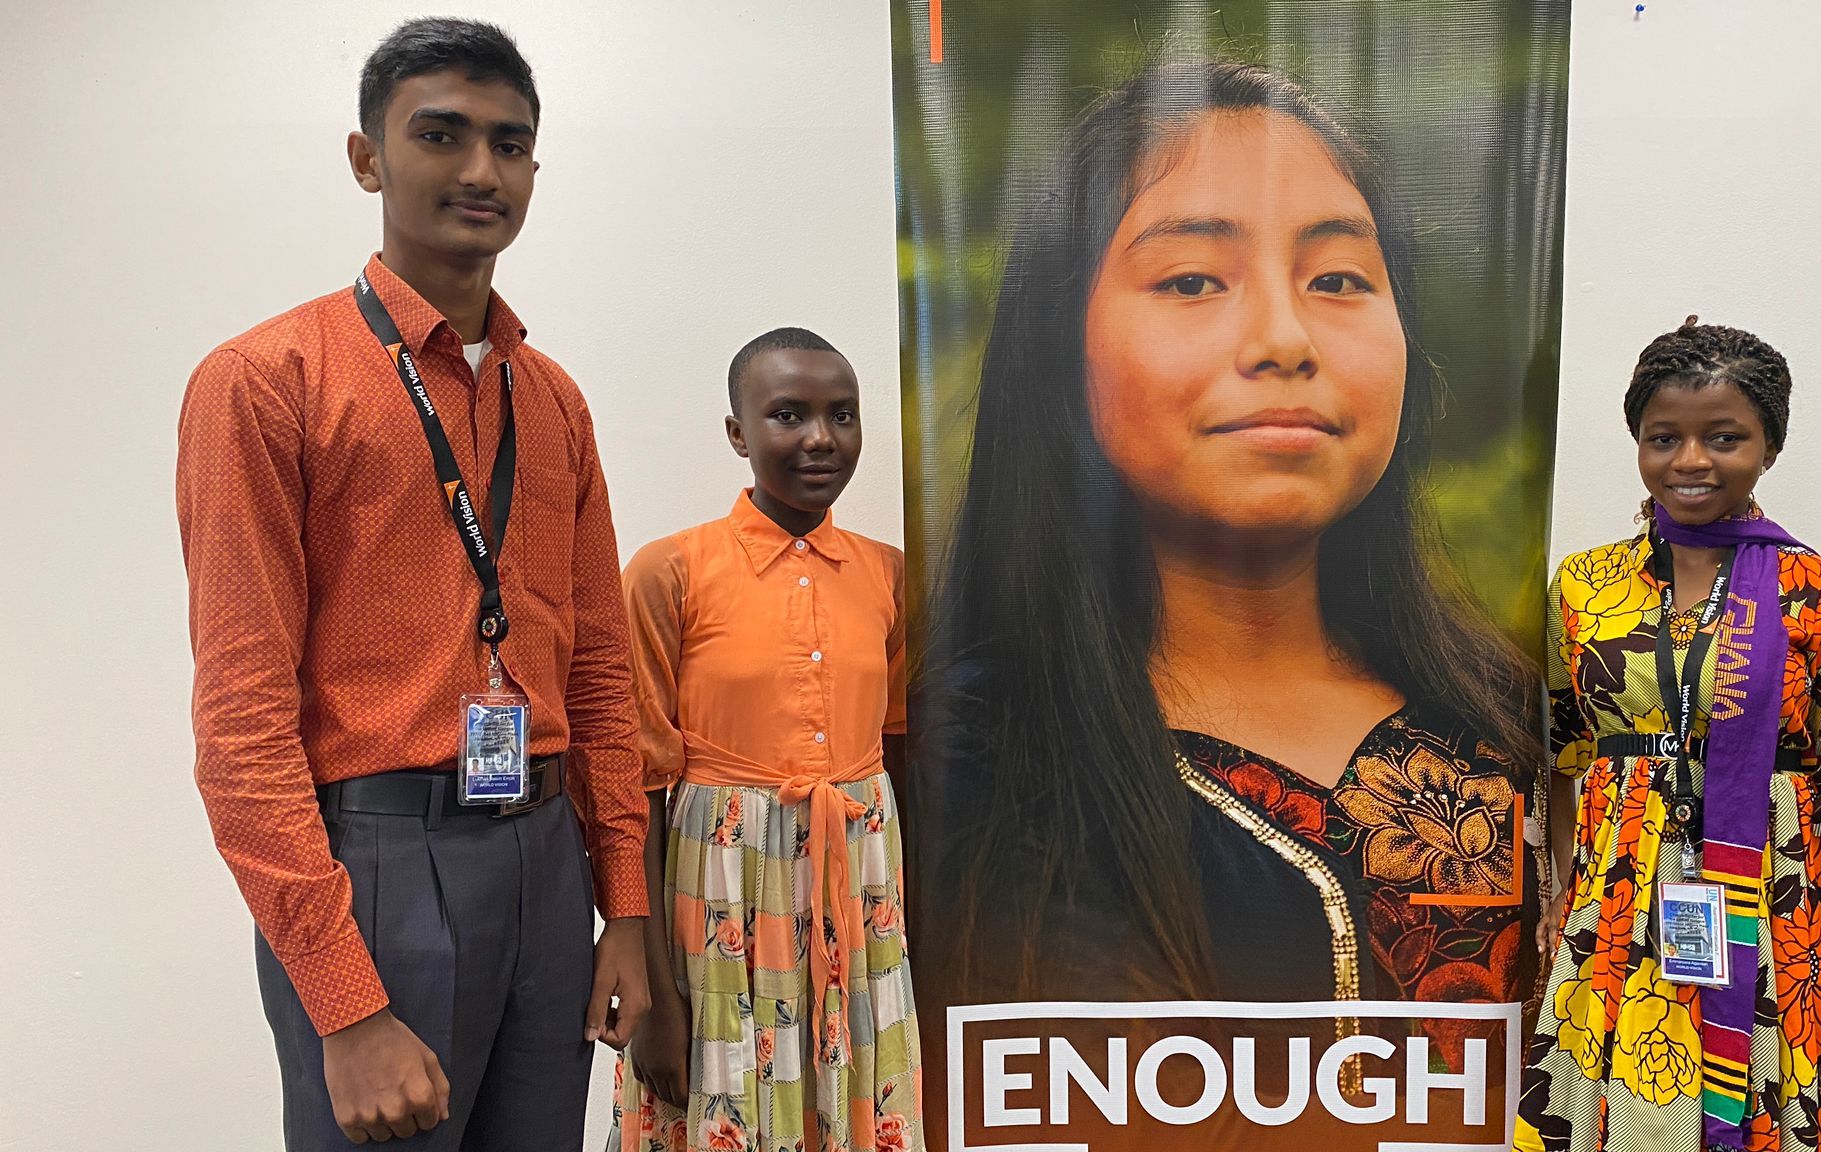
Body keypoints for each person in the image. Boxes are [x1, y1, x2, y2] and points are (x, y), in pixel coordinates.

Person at [916, 57, 1542, 1027]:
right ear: (1056, 345)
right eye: (1193, 279)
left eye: (1337, 278)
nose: (1283, 339)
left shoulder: (1516, 729)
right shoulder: (963, 763)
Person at [176, 19, 648, 1148]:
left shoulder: (556, 401)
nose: (480, 170)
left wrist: (622, 907)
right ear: (366, 158)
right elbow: (241, 723)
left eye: (510, 142)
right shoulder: (264, 383)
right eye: (440, 134)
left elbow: (596, 669)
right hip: (377, 869)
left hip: (544, 863)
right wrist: (345, 1005)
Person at [1516, 319, 1821, 1152]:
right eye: (1663, 437)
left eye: (1724, 437)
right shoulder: (1583, 586)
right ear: (1636, 441)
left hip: (1782, 919)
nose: (1690, 461)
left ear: (1770, 445)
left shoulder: (1816, 591)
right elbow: (1561, 754)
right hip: (1615, 926)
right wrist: (1560, 889)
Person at [611, 328, 922, 1152]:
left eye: (842, 415)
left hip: (856, 889)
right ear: (738, 434)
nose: (820, 439)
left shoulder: (890, 575)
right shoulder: (668, 572)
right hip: (718, 891)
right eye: (788, 415)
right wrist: (656, 996)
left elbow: (903, 752)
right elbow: (632, 789)